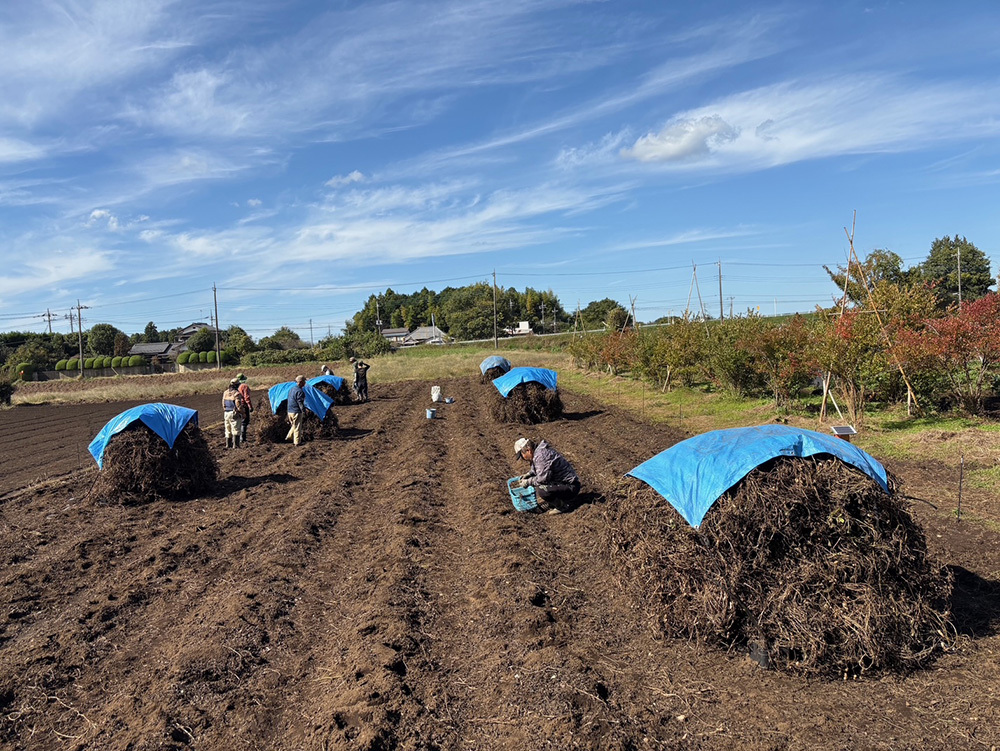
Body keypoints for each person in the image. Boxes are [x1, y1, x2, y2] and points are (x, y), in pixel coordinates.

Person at [513, 437, 581, 514]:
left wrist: (528, 482)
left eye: (522, 455)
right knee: (539, 484)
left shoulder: (541, 456)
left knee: (542, 490)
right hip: (561, 483)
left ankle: (562, 506)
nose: (523, 458)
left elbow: (542, 479)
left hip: (571, 487)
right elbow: (538, 469)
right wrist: (529, 474)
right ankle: (555, 500)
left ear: (528, 450)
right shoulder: (538, 453)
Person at [222, 378, 246, 449]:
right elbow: (238, 404)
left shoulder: (225, 392)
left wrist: (226, 410)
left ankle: (228, 445)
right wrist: (243, 413)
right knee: (236, 429)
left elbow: (223, 403)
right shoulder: (236, 393)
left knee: (227, 429)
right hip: (234, 413)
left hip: (226, 412)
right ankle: (236, 445)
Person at [285, 375, 307, 446]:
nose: (305, 383)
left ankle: (289, 437)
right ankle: (297, 442)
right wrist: (303, 410)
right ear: (300, 382)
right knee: (297, 427)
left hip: (289, 411)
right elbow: (300, 402)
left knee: (294, 425)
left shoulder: (292, 389)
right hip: (296, 411)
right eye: (304, 381)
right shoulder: (300, 391)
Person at [236, 373, 253, 444]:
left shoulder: (237, 386)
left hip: (237, 405)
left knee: (239, 421)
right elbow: (247, 397)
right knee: (245, 421)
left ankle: (239, 437)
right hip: (244, 406)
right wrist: (250, 406)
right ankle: (242, 438)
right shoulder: (244, 386)